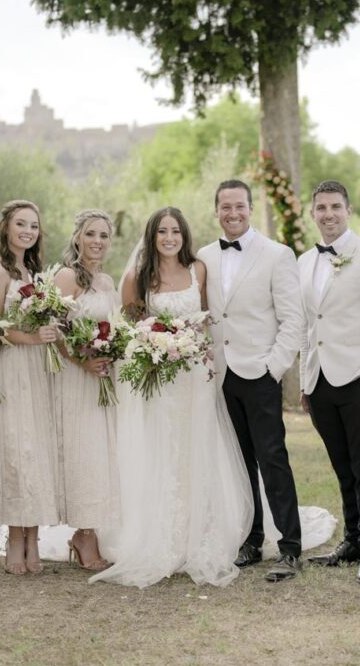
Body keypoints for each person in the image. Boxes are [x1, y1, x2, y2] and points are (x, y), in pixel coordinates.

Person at [89, 207, 253, 588]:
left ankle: (201, 533)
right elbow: (130, 332)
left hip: (195, 378)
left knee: (197, 448)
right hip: (159, 382)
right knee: (162, 451)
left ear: (184, 235)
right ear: (152, 235)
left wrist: (193, 348)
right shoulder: (136, 277)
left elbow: (208, 320)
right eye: (162, 231)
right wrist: (156, 346)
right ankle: (161, 535)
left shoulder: (198, 270)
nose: (169, 238)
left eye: (175, 231)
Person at [196, 180, 305, 582]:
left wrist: (273, 367)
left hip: (260, 373)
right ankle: (251, 539)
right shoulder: (204, 256)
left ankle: (290, 546)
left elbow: (293, 319)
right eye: (225, 207)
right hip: (220, 375)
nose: (232, 213)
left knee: (272, 458)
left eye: (239, 206)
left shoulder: (278, 254)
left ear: (250, 208)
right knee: (238, 462)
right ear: (216, 211)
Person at [299, 180, 360, 585]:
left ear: (348, 210)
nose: (328, 214)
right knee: (342, 467)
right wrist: (306, 380)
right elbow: (309, 324)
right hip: (319, 379)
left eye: (335, 207)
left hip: (359, 377)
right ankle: (353, 539)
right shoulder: (304, 261)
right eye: (321, 207)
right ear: (313, 213)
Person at [0, 200, 61, 575]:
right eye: (21, 224)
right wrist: (30, 338)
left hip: (39, 372)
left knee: (37, 452)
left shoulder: (37, 273)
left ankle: (34, 538)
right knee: (17, 450)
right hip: (13, 367)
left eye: (33, 225)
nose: (28, 231)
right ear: (6, 229)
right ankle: (15, 537)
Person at [53, 209, 122, 571]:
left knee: (102, 455)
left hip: (104, 378)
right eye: (91, 234)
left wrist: (113, 352)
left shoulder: (108, 282)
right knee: (85, 454)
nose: (98, 241)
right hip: (77, 378)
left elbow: (114, 327)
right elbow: (56, 329)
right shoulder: (67, 277)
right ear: (78, 236)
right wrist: (82, 359)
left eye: (104, 236)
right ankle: (83, 534)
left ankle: (89, 531)